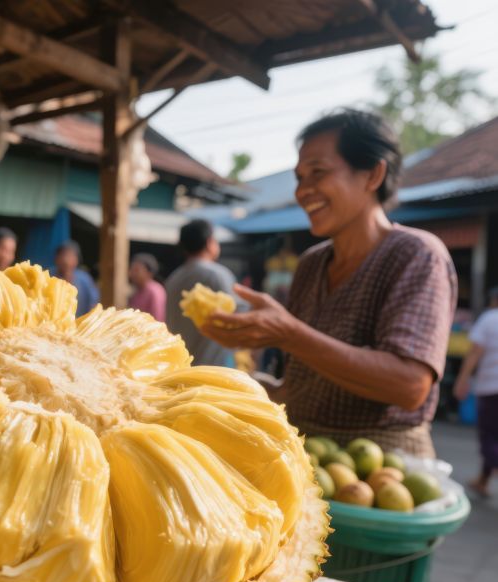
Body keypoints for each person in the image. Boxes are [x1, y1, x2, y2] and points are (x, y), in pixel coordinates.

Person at [201, 109, 457, 458]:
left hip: (382, 468)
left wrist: (288, 332)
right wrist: (236, 387)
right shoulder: (311, 264)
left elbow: (410, 385)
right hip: (305, 457)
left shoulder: (416, 254)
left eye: (318, 173)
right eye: (299, 177)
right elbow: (302, 383)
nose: (303, 191)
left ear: (374, 174)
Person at [165, 220, 239, 366]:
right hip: (213, 367)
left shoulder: (174, 278)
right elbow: (237, 316)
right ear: (209, 242)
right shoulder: (218, 274)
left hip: (180, 365)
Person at [453, 287, 498, 496]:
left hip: (491, 389)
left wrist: (462, 379)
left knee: (488, 437)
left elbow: (475, 352)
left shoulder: (489, 318)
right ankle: (482, 481)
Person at [53, 240, 98, 317]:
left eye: (70, 256)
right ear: (56, 259)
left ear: (76, 260)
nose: (65, 260)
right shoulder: (49, 276)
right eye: (62, 255)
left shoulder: (84, 279)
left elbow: (94, 303)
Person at [128, 252, 166, 321]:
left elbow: (157, 319)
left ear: (149, 272)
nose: (132, 274)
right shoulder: (137, 291)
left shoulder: (154, 291)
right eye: (131, 270)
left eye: (136, 270)